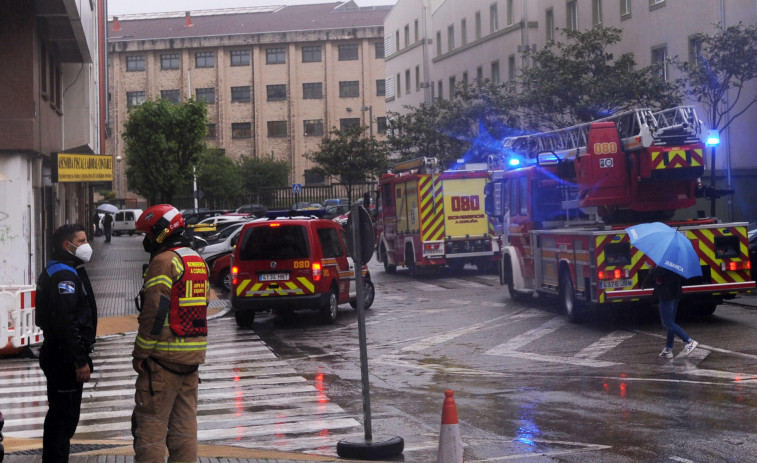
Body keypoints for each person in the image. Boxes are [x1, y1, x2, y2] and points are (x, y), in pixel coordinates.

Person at [131, 205, 209, 462]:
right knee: (184, 430)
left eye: (149, 235)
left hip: (161, 362)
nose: (146, 241)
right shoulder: (196, 261)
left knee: (150, 432)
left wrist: (140, 353)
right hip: (191, 361)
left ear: (161, 232)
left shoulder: (164, 261)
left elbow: (154, 311)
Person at [35, 224, 98, 463]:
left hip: (60, 354)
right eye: (81, 241)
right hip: (64, 358)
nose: (86, 245)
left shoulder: (62, 269)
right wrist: (79, 361)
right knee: (64, 419)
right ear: (67, 246)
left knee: (61, 416)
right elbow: (66, 322)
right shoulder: (63, 275)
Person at [645, 264, 698, 358]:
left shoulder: (665, 262)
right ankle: (668, 349)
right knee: (671, 322)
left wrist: (652, 270)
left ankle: (689, 341)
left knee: (667, 322)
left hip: (667, 294)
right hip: (676, 293)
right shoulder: (677, 262)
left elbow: (658, 274)